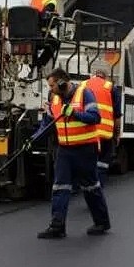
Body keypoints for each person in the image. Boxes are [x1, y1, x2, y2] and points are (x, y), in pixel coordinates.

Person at [29, 67, 111, 239]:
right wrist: (33, 139)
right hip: (65, 149)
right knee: (60, 186)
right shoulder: (55, 99)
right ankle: (57, 226)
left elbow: (95, 117)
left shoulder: (84, 93)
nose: (50, 89)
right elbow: (48, 123)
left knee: (90, 186)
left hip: (85, 148)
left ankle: (102, 222)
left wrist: (74, 113)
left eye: (52, 86)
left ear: (61, 83)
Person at [79, 68, 122, 186]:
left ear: (93, 75)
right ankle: (98, 186)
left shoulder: (82, 85)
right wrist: (117, 135)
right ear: (106, 77)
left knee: (87, 161)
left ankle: (86, 185)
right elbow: (117, 116)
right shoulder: (110, 87)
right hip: (105, 133)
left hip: (87, 132)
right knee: (102, 163)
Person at [29, 0, 63, 73]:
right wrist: (55, 21)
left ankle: (33, 67)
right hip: (39, 31)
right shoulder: (51, 0)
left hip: (28, 31)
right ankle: (39, 65)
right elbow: (46, 17)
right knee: (55, 43)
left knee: (33, 47)